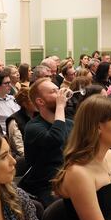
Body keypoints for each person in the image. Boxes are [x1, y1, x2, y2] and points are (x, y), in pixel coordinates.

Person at [20, 78, 73, 207]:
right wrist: (60, 106)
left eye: (58, 89)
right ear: (40, 101)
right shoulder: (33, 127)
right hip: (46, 186)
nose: (60, 94)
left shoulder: (70, 124)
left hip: (70, 179)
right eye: (54, 91)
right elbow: (56, 139)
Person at [5, 88, 35, 159]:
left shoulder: (40, 115)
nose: (36, 102)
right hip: (26, 160)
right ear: (24, 104)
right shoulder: (14, 121)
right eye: (32, 100)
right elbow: (19, 149)